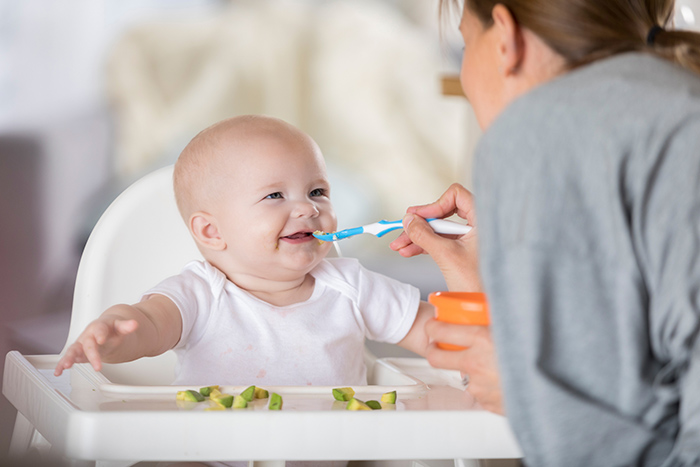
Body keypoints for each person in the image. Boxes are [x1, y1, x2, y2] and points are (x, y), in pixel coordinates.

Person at [391, 0, 700, 466]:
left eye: (464, 41)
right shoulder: (676, 98)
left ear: (504, 36)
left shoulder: (536, 128)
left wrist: (526, 385)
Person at [54, 115, 433, 391]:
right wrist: (115, 333)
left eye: (317, 191)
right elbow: (149, 324)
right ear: (211, 231)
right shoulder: (200, 293)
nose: (308, 209)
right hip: (209, 456)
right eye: (275, 196)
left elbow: (428, 328)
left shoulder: (351, 286)